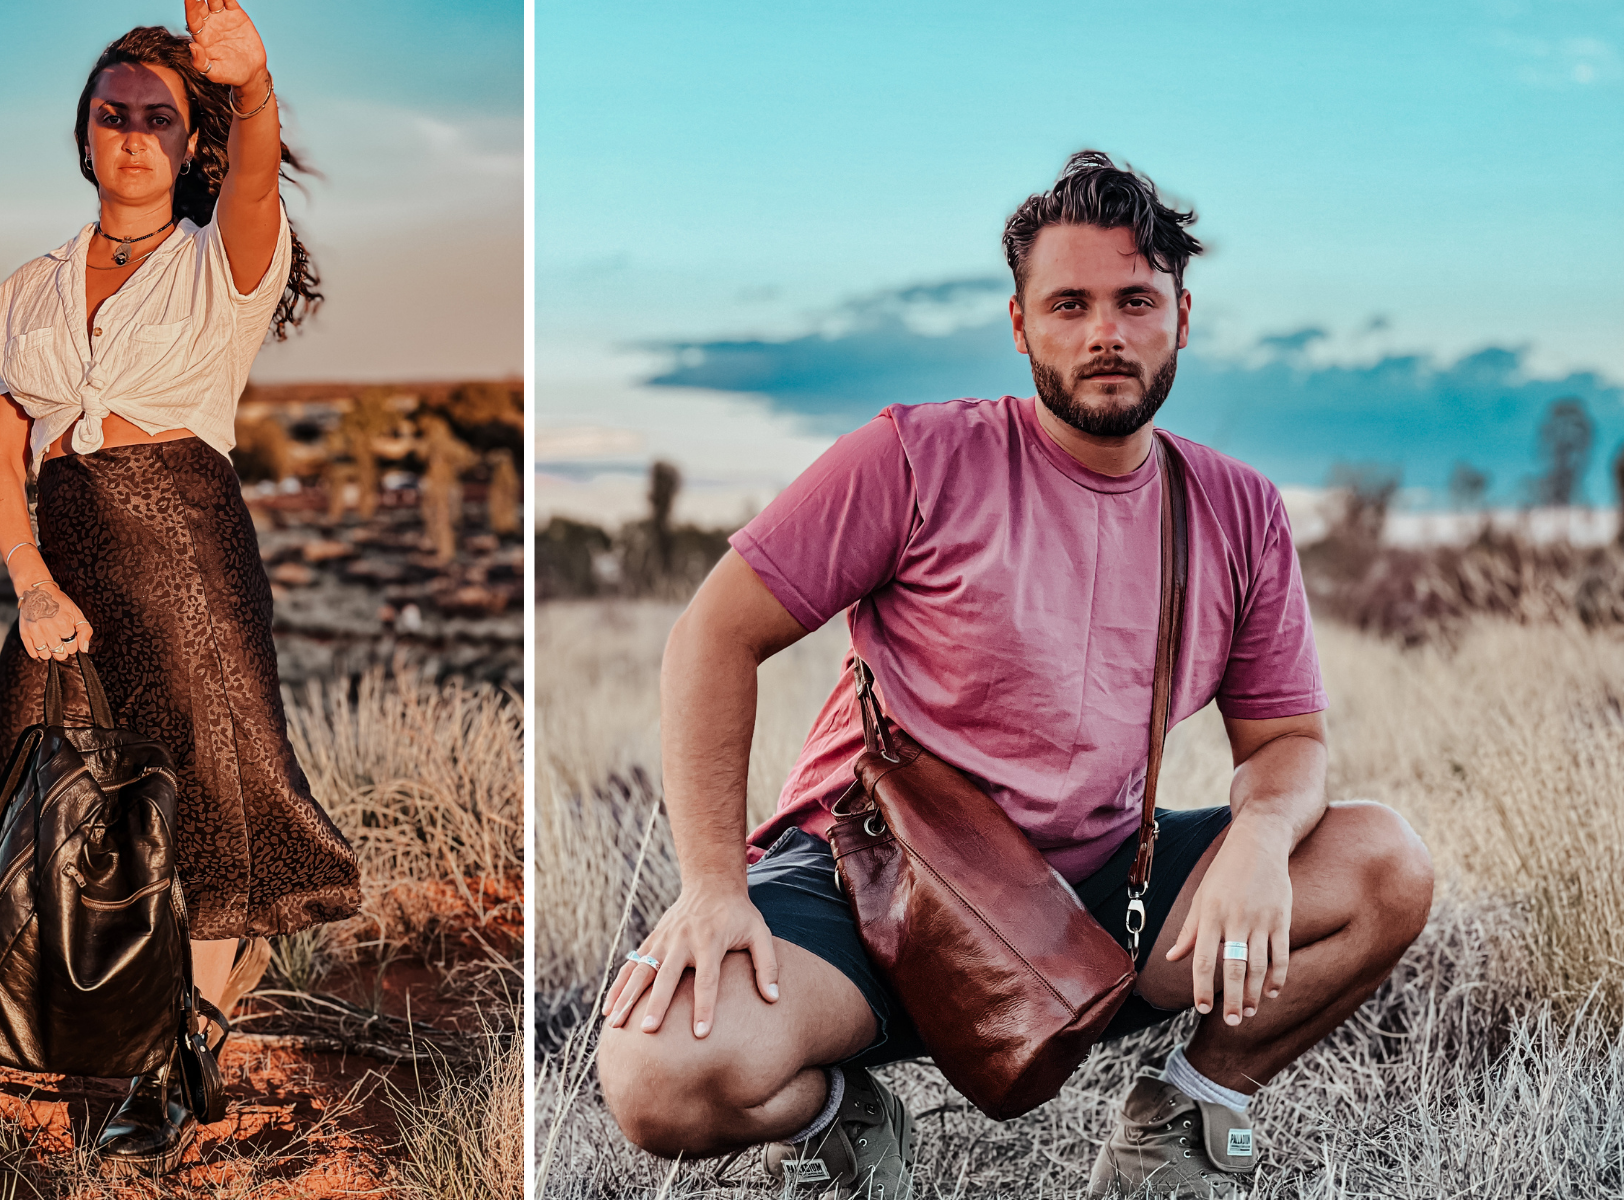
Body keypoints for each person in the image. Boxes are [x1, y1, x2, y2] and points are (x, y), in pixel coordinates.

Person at [595, 151, 1435, 1199]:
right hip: (875, 883)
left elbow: (1285, 743)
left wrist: (1259, 841)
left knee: (1383, 866)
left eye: (1134, 301)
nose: (1103, 334)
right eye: (1069, 304)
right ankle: (842, 1122)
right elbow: (709, 637)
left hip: (1098, 900)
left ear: (1181, 315)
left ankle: (1177, 1120)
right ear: (1018, 324)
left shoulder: (1239, 510)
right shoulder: (910, 459)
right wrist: (713, 888)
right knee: (656, 1077)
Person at [0, 0, 360, 1176]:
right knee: (57, 799)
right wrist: (31, 583)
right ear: (83, 132)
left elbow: (252, 182)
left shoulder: (222, 263)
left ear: (191, 141)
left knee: (216, 804)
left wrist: (253, 85)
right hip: (68, 560)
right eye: (113, 114)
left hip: (185, 549)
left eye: (159, 118)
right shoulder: (21, 293)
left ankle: (175, 1060)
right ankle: (87, 1021)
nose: (132, 134)